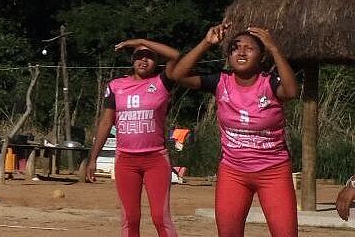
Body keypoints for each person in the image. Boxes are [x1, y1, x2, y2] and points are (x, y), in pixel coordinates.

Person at [165, 23, 300, 237]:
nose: (241, 52)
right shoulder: (220, 81)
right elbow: (178, 75)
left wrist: (274, 48)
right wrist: (206, 43)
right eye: (235, 48)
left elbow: (291, 91)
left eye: (250, 48)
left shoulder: (270, 83)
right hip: (233, 172)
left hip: (273, 171)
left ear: (262, 56)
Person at [80, 39, 198, 237]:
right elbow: (105, 122)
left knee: (160, 217)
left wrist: (140, 41)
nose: (144, 60)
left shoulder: (162, 81)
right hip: (126, 160)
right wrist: (93, 158)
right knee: (130, 219)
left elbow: (176, 55)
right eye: (139, 56)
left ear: (157, 61)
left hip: (155, 159)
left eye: (150, 57)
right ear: (132, 60)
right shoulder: (117, 85)